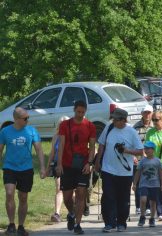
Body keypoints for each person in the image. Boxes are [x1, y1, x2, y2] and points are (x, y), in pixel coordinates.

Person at [94, 108, 143, 232]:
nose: (114, 121)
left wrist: (126, 151)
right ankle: (109, 223)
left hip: (125, 172)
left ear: (123, 120)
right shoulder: (109, 128)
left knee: (123, 198)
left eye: (116, 119)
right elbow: (101, 145)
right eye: (113, 119)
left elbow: (140, 151)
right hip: (108, 169)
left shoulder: (131, 132)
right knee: (108, 197)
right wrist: (97, 161)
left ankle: (121, 222)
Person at [0, 107, 46, 236]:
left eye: (28, 118)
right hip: (9, 167)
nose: (27, 120)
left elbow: (39, 150)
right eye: (25, 118)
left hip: (26, 168)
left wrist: (42, 167)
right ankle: (11, 224)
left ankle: (20, 226)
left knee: (23, 197)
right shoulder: (5, 132)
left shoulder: (32, 131)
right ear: (16, 119)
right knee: (9, 193)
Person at [56, 100, 96, 235]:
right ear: (74, 110)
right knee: (67, 197)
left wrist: (89, 163)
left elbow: (92, 147)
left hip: (83, 165)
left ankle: (78, 224)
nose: (80, 114)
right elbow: (61, 145)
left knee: (80, 193)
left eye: (83, 112)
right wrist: (59, 163)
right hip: (67, 164)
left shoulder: (90, 126)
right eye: (78, 112)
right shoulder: (64, 125)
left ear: (85, 112)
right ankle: (71, 213)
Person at [132, 141, 162, 228]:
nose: (146, 150)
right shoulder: (142, 161)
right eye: (145, 149)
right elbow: (138, 173)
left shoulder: (158, 161)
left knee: (153, 202)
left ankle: (152, 219)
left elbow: (161, 173)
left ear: (153, 150)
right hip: (144, 184)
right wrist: (134, 183)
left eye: (148, 149)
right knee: (143, 200)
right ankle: (142, 217)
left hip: (155, 185)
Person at [47, 116, 70, 223]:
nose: (62, 125)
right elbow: (52, 153)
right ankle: (57, 213)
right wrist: (47, 167)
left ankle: (72, 211)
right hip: (57, 165)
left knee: (70, 190)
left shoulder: (72, 135)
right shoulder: (56, 136)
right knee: (59, 188)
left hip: (70, 165)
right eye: (61, 123)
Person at [133, 104, 154, 215]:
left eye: (149, 113)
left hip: (150, 159)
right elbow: (131, 142)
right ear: (142, 114)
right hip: (138, 159)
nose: (147, 115)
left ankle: (148, 206)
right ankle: (138, 206)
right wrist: (133, 156)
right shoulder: (135, 127)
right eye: (145, 112)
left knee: (149, 182)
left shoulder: (154, 127)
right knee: (138, 183)